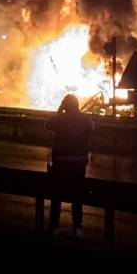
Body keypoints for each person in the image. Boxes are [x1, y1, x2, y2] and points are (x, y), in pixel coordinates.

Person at [45, 93, 94, 238]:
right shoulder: (86, 120)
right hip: (79, 163)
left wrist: (60, 110)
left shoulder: (60, 120)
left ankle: (54, 226)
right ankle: (77, 228)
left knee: (57, 195)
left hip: (61, 162)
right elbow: (92, 128)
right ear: (78, 105)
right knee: (77, 196)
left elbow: (47, 124)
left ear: (65, 105)